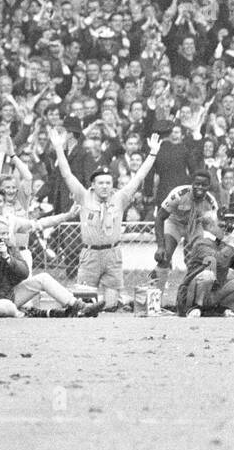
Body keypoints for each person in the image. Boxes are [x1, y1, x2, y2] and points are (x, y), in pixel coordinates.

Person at [47, 126, 161, 313]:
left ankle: (120, 304)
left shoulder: (120, 197)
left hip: (112, 254)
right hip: (90, 255)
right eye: (101, 183)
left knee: (110, 307)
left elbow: (139, 176)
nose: (105, 186)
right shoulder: (84, 196)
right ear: (93, 184)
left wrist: (153, 153)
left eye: (108, 182)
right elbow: (67, 174)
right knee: (84, 306)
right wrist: (59, 148)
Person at [0, 188, 101, 316]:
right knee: (7, 307)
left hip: (10, 293)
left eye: (5, 234)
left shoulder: (10, 239)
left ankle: (78, 306)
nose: (1, 238)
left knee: (43, 278)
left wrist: (8, 257)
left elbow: (37, 227)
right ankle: (28, 314)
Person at [153, 171, 219, 307]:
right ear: (192, 184)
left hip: (195, 226)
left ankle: (189, 299)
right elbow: (159, 218)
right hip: (175, 224)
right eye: (197, 184)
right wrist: (160, 246)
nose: (200, 187)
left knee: (198, 260)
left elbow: (212, 228)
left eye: (204, 185)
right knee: (164, 257)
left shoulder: (211, 203)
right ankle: (155, 299)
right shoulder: (179, 194)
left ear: (209, 187)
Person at [176, 227, 234, 317]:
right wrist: (231, 245)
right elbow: (218, 261)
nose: (231, 235)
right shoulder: (201, 244)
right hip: (190, 296)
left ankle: (221, 310)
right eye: (227, 232)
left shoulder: (225, 246)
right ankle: (193, 308)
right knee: (208, 275)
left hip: (212, 293)